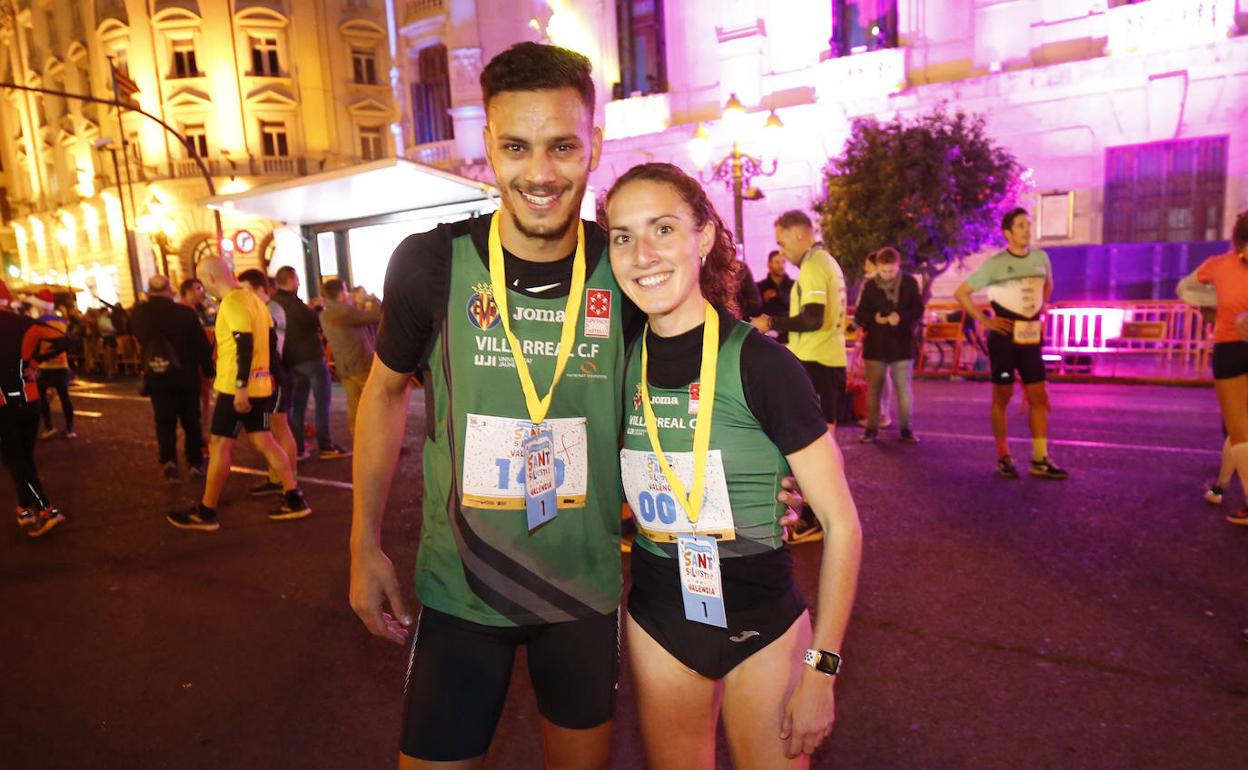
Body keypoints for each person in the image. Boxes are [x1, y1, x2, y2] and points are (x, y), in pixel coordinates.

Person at [349, 42, 635, 769]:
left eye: (563, 146)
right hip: (460, 594)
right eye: (516, 146)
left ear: (594, 145)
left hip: (584, 594)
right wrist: (363, 542)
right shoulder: (430, 263)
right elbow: (382, 395)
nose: (540, 173)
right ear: (488, 146)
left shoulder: (629, 272)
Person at [606, 161, 862, 768]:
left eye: (663, 229)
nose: (643, 253)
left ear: (704, 237)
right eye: (623, 236)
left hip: (763, 623)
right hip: (660, 617)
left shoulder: (764, 364)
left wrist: (822, 673)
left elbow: (844, 526)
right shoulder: (614, 362)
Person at [166, 257, 309, 531]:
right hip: (261, 384)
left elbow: (244, 344)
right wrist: (266, 376)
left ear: (209, 279)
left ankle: (206, 511)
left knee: (220, 446)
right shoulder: (254, 299)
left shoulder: (232, 303)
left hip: (236, 388)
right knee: (265, 441)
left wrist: (242, 387)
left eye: (202, 280)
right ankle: (294, 497)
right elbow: (270, 339)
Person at [751, 210, 847, 545]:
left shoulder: (814, 266)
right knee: (825, 441)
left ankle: (818, 517)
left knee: (813, 445)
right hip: (830, 359)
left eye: (782, 241)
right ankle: (826, 515)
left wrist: (770, 323)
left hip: (818, 361)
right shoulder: (826, 263)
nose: (782, 250)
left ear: (799, 234)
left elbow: (813, 318)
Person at [954, 208, 1067, 480]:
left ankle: (1040, 458)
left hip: (1030, 337)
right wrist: (986, 321)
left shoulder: (1041, 258)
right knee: (1002, 396)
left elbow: (1047, 286)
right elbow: (962, 293)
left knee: (1039, 397)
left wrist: (1040, 309)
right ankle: (1004, 457)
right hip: (1004, 338)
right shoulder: (995, 264)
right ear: (1008, 233)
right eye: (1020, 226)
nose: (1026, 230)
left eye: (1028, 225)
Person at [1192, 210, 1248, 524]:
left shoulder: (1221, 265)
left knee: (1239, 430)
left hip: (1229, 347)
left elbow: (1187, 288)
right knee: (1239, 427)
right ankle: (1220, 487)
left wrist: (1211, 304)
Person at [130, 274, 215, 482]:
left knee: (164, 420)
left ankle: (169, 461)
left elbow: (136, 338)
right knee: (190, 420)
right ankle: (195, 462)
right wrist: (208, 368)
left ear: (150, 291)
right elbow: (200, 344)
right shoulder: (184, 313)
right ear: (170, 290)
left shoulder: (139, 314)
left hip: (157, 374)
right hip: (185, 375)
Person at [1, 303, 68, 537]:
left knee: (16, 462)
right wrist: (34, 359)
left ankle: (46, 509)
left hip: (3, 404)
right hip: (29, 398)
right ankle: (24, 509)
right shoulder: (24, 322)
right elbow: (61, 338)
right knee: (24, 460)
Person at [273, 266, 349, 461]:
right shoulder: (294, 304)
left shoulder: (274, 304)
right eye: (297, 280)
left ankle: (298, 448)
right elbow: (316, 322)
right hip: (311, 359)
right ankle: (325, 445)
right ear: (290, 281)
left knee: (298, 406)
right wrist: (317, 308)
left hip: (291, 361)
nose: (298, 283)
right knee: (322, 403)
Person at [237, 269, 301, 497]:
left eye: (245, 290)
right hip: (269, 376)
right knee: (271, 430)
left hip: (276, 376)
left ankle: (289, 480)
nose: (241, 295)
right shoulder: (263, 309)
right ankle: (278, 477)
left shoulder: (271, 309)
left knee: (279, 428)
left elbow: (274, 348)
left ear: (260, 289)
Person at [853, 247, 923, 443]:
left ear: (898, 266)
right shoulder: (870, 286)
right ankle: (871, 429)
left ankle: (906, 430)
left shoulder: (909, 283)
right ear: (878, 267)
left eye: (892, 271)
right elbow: (860, 314)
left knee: (904, 389)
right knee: (874, 390)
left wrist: (901, 317)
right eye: (884, 271)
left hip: (902, 344)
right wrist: (875, 318)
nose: (888, 275)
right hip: (876, 345)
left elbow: (918, 309)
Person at [318, 279, 381, 436]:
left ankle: (359, 441)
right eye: (346, 291)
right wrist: (370, 298)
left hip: (344, 367)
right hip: (360, 364)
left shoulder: (325, 314)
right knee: (376, 403)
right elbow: (377, 316)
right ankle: (380, 441)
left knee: (355, 406)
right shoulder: (345, 312)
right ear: (341, 293)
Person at [31, 290, 76, 439]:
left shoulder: (38, 322)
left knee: (42, 397)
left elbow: (34, 343)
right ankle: (70, 428)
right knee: (64, 396)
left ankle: (49, 426)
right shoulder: (62, 321)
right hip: (62, 363)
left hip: (44, 365)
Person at [757, 249, 794, 343]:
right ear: (769, 265)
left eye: (783, 262)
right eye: (777, 262)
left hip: (790, 335)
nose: (781, 266)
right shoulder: (760, 286)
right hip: (768, 337)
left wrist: (778, 295)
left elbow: (795, 304)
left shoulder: (794, 285)